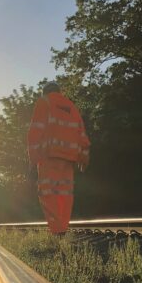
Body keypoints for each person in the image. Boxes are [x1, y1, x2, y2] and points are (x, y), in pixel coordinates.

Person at [26, 81, 90, 235]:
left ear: (45, 92)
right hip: (69, 159)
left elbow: (35, 131)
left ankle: (57, 231)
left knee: (48, 193)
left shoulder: (44, 102)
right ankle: (62, 228)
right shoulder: (71, 106)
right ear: (59, 91)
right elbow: (82, 135)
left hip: (50, 157)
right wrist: (83, 158)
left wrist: (32, 159)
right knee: (65, 194)